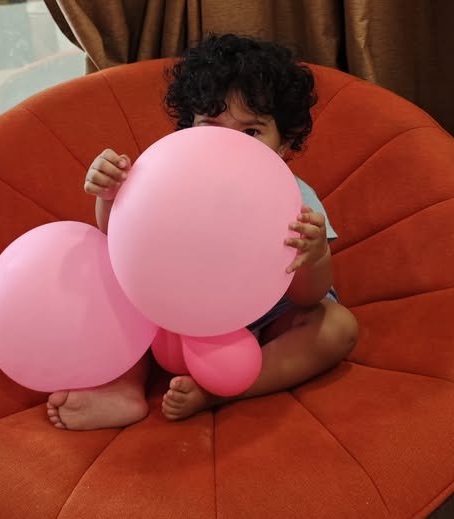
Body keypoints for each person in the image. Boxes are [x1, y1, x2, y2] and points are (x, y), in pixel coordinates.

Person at [47, 33, 359, 430]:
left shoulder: (295, 200)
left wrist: (314, 255)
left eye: (251, 132)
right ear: (188, 131)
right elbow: (119, 244)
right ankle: (122, 386)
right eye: (212, 126)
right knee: (119, 291)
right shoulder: (168, 178)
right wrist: (110, 194)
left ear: (284, 143)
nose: (230, 144)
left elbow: (308, 296)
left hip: (267, 321)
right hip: (174, 314)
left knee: (337, 327)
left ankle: (221, 391)